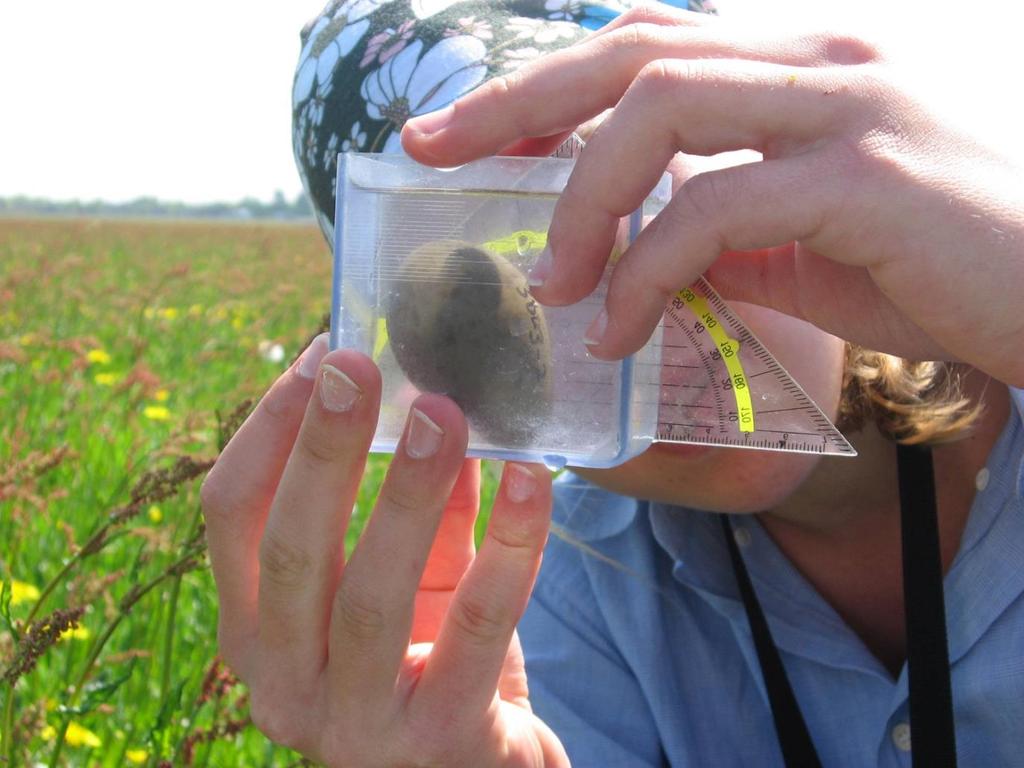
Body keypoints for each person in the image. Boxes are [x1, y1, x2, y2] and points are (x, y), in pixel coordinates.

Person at [200, 1, 1024, 765]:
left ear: (765, 135)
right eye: (483, 330)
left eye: (628, 203)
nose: (608, 337)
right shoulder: (559, 612)